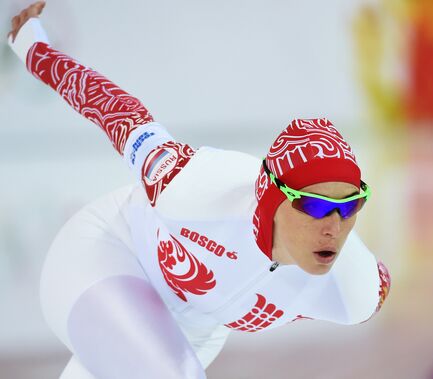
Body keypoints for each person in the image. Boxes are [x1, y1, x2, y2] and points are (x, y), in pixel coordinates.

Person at [8, 2, 390, 378]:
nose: (335, 227)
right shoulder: (194, 187)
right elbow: (116, 112)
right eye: (315, 205)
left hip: (190, 334)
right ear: (271, 197)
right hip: (105, 257)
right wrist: (35, 49)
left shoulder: (355, 291)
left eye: (351, 205)